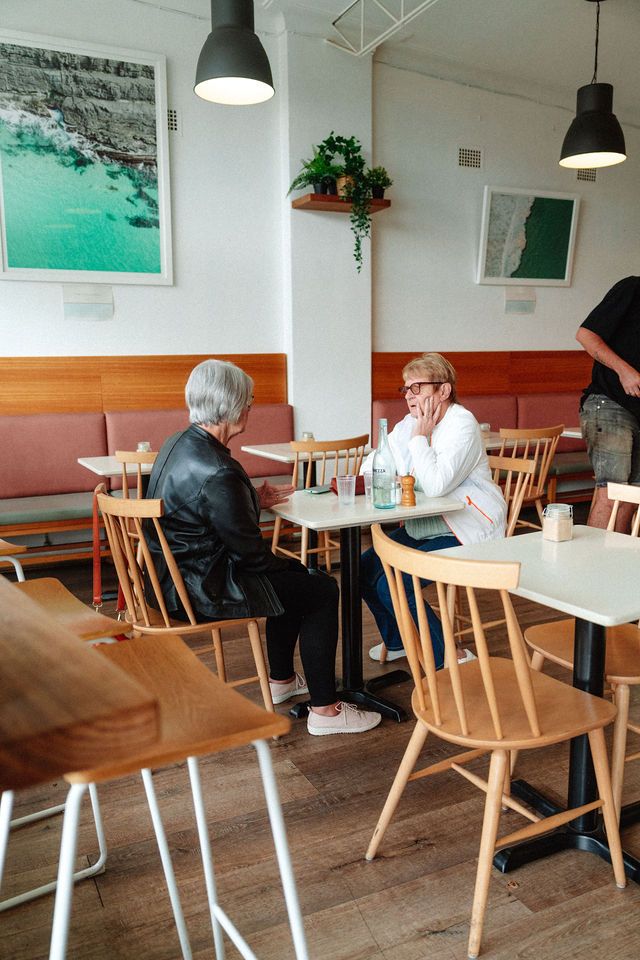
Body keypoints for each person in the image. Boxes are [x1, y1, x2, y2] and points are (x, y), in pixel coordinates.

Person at [143, 359, 380, 737]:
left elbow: (198, 508)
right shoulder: (220, 469)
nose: (251, 407)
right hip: (203, 589)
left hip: (166, 581)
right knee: (320, 588)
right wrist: (295, 568)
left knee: (297, 579)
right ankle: (326, 712)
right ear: (231, 405)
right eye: (248, 400)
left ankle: (283, 680)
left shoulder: (179, 443)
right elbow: (252, 557)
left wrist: (250, 498)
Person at [361, 352, 507, 666]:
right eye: (406, 389)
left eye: (417, 388)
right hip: (427, 525)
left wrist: (418, 439)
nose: (409, 396)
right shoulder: (410, 422)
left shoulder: (461, 423)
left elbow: (437, 484)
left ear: (444, 390)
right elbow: (372, 465)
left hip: (469, 528)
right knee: (364, 567)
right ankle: (398, 641)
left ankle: (448, 655)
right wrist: (405, 445)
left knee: (395, 580)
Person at [577, 276, 640, 531]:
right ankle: (592, 567)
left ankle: (614, 561)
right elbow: (585, 335)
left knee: (633, 496)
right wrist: (624, 370)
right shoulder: (633, 288)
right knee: (613, 493)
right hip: (610, 403)